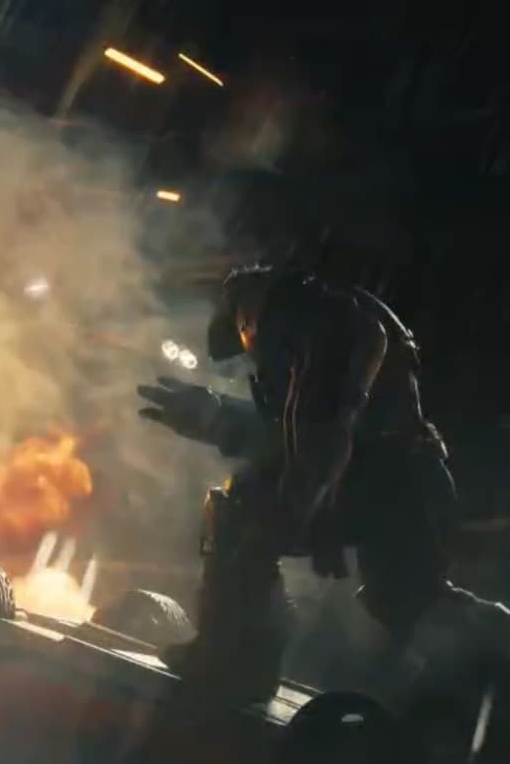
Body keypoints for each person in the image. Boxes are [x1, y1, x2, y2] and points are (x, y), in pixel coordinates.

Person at [138, 265, 510, 705]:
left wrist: (305, 508)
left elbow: (324, 436)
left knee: (238, 513)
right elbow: (303, 430)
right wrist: (215, 415)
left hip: (377, 484)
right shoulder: (335, 317)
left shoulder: (314, 325)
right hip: (408, 482)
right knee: (413, 601)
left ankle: (233, 659)